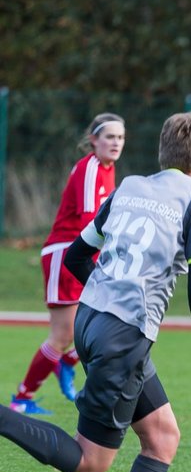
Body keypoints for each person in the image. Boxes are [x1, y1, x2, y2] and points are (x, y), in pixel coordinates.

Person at [0, 111, 191, 472]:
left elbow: (78, 254)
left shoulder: (128, 188)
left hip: (92, 321)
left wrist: (105, 295)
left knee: (163, 437)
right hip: (123, 338)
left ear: (162, 153)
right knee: (90, 464)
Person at [10, 112, 125, 415]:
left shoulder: (109, 170)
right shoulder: (89, 168)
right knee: (62, 335)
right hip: (67, 253)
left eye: (120, 137)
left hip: (85, 253)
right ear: (94, 140)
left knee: (90, 325)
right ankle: (21, 399)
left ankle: (66, 362)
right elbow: (91, 222)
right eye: (109, 136)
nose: (115, 142)